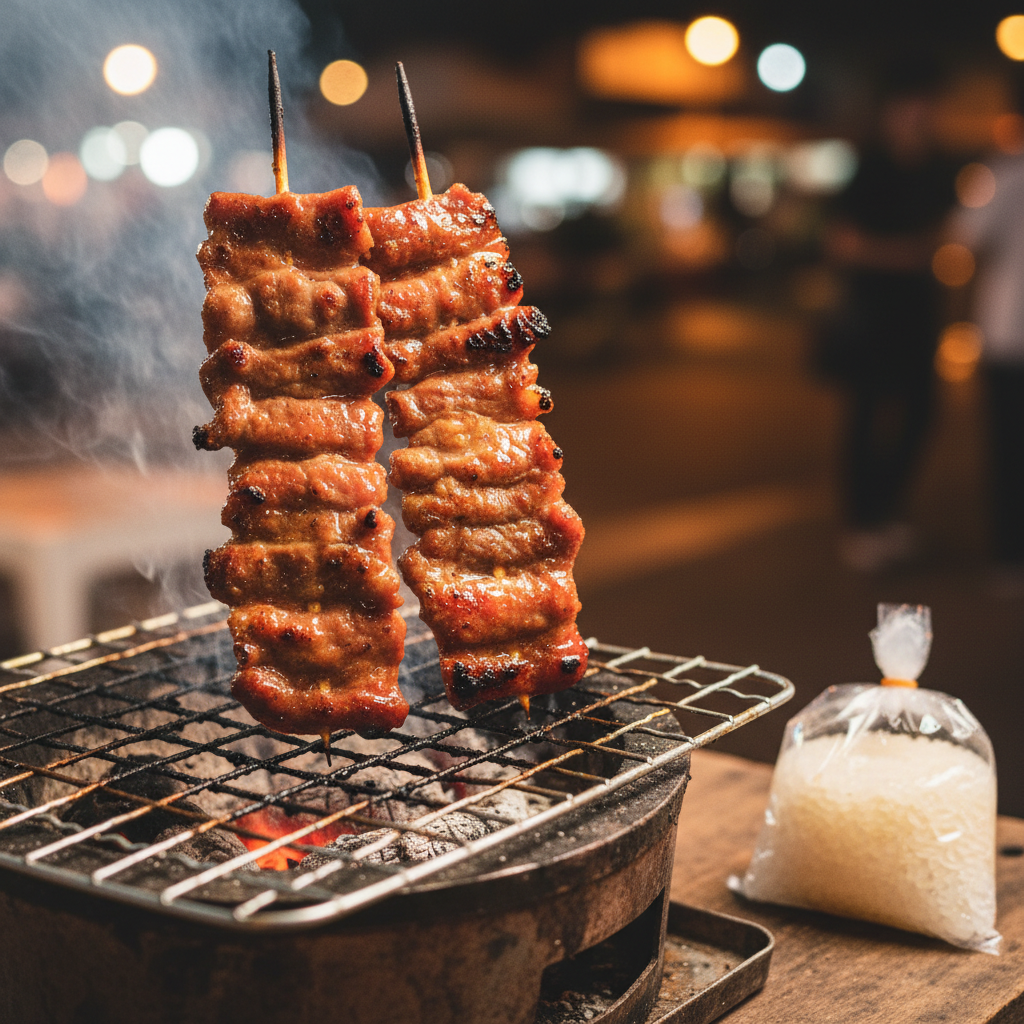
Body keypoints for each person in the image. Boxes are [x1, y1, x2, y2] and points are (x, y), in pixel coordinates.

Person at [822, 72, 957, 571]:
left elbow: (951, 233)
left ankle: (888, 511)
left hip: (920, 311)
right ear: (890, 111)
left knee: (922, 411)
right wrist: (907, 255)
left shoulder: (938, 169)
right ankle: (861, 522)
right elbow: (842, 243)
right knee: (867, 415)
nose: (921, 117)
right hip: (871, 311)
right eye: (912, 106)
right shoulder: (870, 168)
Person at [953, 152, 1024, 585]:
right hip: (1006, 334)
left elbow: (964, 235)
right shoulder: (1005, 175)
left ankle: (1009, 555)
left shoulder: (1004, 175)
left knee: (1008, 450)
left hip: (1006, 332)